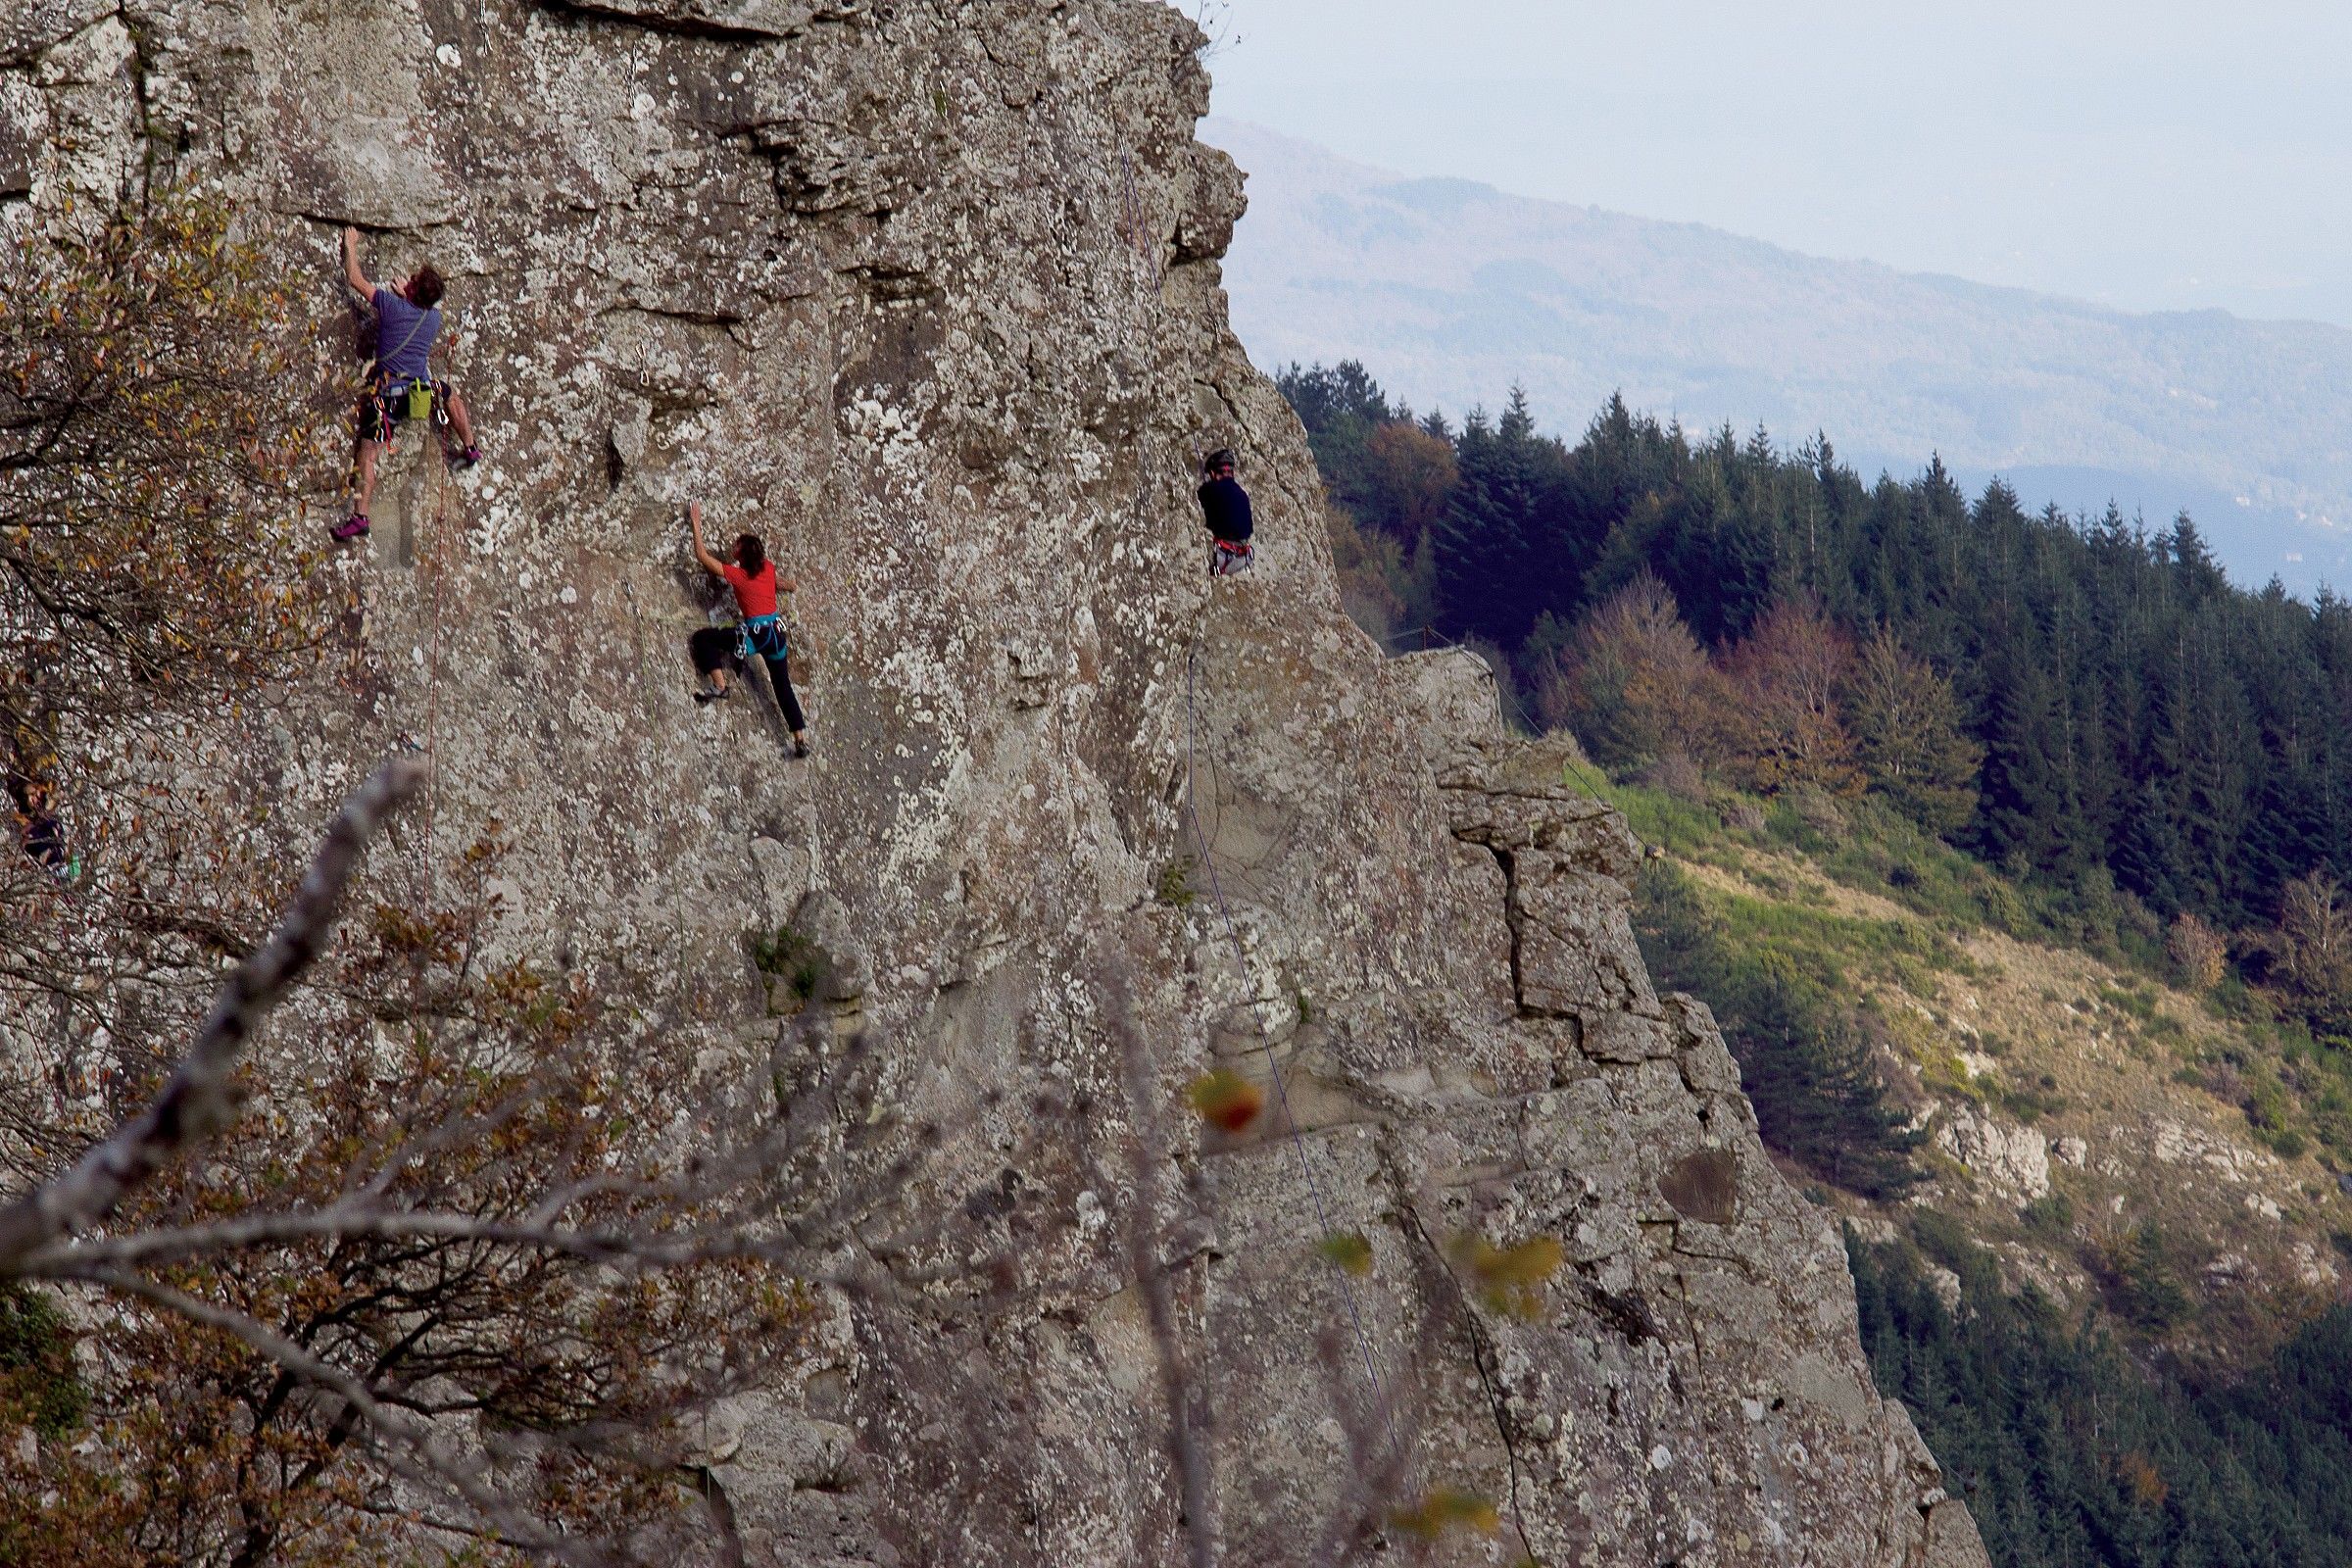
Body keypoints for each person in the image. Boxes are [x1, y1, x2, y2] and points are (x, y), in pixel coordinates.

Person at [335, 225, 483, 543]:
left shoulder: (390, 305)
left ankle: (360, 517)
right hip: (418, 395)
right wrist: (409, 296)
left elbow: (355, 279)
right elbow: (418, 310)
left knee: (367, 453)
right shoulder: (433, 319)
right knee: (450, 395)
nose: (408, 280)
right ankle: (470, 447)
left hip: (386, 398)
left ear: (413, 290)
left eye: (412, 281)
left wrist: (351, 244)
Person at [687, 502, 810, 758]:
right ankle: (799, 738)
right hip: (776, 636)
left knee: (703, 639)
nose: (732, 549)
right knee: (782, 685)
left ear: (742, 555)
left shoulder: (738, 575)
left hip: (755, 637)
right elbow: (779, 583)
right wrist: (791, 586)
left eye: (736, 547)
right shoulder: (768, 568)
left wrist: (696, 524)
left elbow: (702, 556)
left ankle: (720, 685)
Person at [1198, 448, 1253, 576]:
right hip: (1244, 558)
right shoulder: (1242, 494)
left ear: (1212, 473)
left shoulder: (1208, 490)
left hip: (1222, 557)